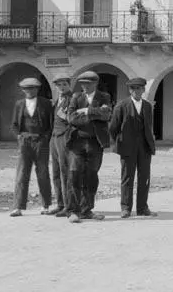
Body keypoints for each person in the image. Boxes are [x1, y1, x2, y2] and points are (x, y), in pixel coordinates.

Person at [66, 71, 112, 223]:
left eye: (87, 83)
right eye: (82, 84)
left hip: (95, 142)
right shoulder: (76, 97)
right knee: (74, 174)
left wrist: (86, 111)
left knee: (91, 176)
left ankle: (86, 210)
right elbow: (71, 118)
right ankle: (73, 211)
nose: (84, 86)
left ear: (95, 83)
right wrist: (95, 115)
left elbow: (107, 115)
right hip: (77, 142)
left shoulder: (104, 97)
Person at [109, 77, 157, 218]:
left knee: (144, 178)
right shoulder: (122, 105)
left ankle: (142, 208)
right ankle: (126, 208)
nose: (136, 91)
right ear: (129, 90)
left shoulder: (148, 106)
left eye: (139, 88)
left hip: (144, 147)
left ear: (143, 90)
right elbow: (113, 127)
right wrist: (119, 142)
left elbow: (149, 127)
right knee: (127, 178)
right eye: (133, 88)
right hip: (127, 147)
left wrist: (150, 143)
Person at [9, 77, 54, 217]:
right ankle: (18, 207)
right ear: (22, 90)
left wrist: (45, 138)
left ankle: (45, 205)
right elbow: (14, 124)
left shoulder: (46, 103)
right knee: (22, 173)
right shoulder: (19, 104)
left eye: (32, 88)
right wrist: (19, 137)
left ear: (37, 89)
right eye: (27, 89)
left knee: (43, 173)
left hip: (41, 141)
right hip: (25, 141)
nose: (29, 91)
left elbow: (51, 124)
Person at [45, 75, 73, 216]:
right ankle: (60, 204)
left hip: (64, 137)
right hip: (54, 137)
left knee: (65, 172)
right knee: (55, 172)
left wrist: (64, 116)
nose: (61, 88)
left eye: (64, 85)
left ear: (69, 85)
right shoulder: (58, 100)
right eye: (59, 85)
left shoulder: (73, 98)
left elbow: (73, 119)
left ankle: (68, 206)